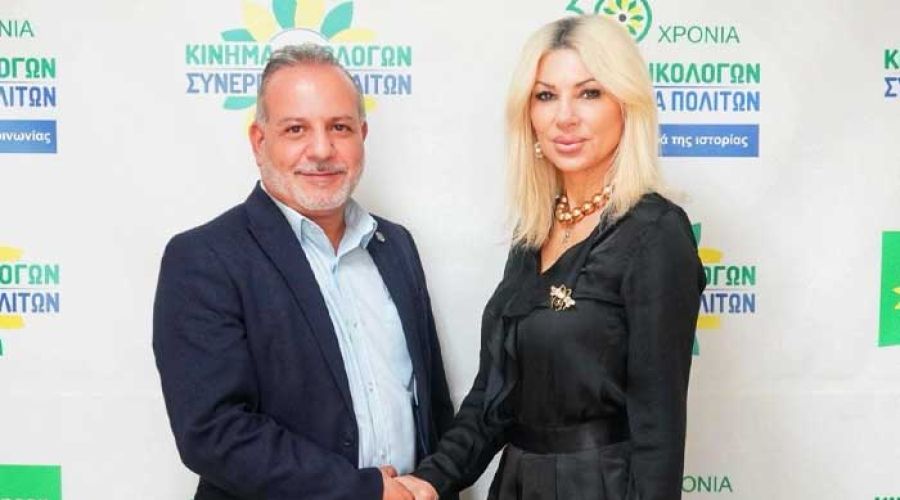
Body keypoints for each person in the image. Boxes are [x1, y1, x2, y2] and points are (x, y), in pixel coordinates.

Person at [396, 15, 706, 500]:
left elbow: (659, 430)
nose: (565, 116)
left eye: (589, 93)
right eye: (545, 96)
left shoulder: (655, 234)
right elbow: (492, 398)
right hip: (517, 483)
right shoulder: (534, 234)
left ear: (626, 105)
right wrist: (428, 480)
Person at [152, 44, 456, 500]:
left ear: (362, 135)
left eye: (339, 127)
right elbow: (215, 432)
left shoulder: (396, 247)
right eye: (296, 129)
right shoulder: (204, 259)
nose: (321, 150)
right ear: (259, 141)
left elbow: (432, 408)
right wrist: (365, 492)